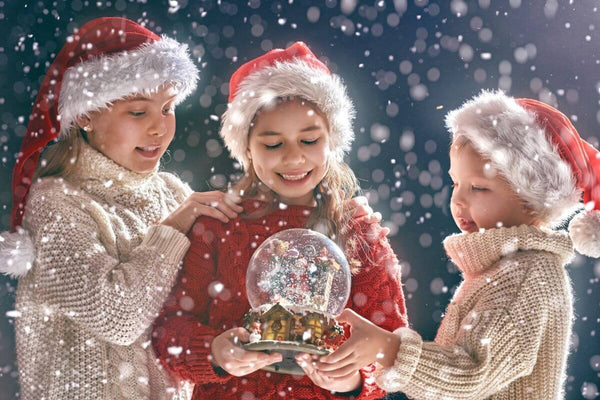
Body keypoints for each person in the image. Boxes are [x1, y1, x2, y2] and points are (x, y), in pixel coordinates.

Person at [0, 17, 244, 399]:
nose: (159, 128)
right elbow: (119, 318)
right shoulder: (56, 205)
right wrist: (174, 229)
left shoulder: (173, 192)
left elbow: (207, 301)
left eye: (167, 108)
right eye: (138, 112)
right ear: (86, 115)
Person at [151, 42, 408, 399]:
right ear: (247, 148)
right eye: (273, 144)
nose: (293, 157)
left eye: (309, 139)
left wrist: (352, 380)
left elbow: (394, 348)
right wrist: (215, 352)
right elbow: (167, 331)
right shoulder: (219, 226)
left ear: (332, 140)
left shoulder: (358, 230)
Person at [316, 90, 600, 399]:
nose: (458, 199)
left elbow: (473, 373)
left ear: (532, 201)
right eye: (456, 183)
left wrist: (387, 348)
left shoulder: (528, 276)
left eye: (478, 187)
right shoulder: (501, 269)